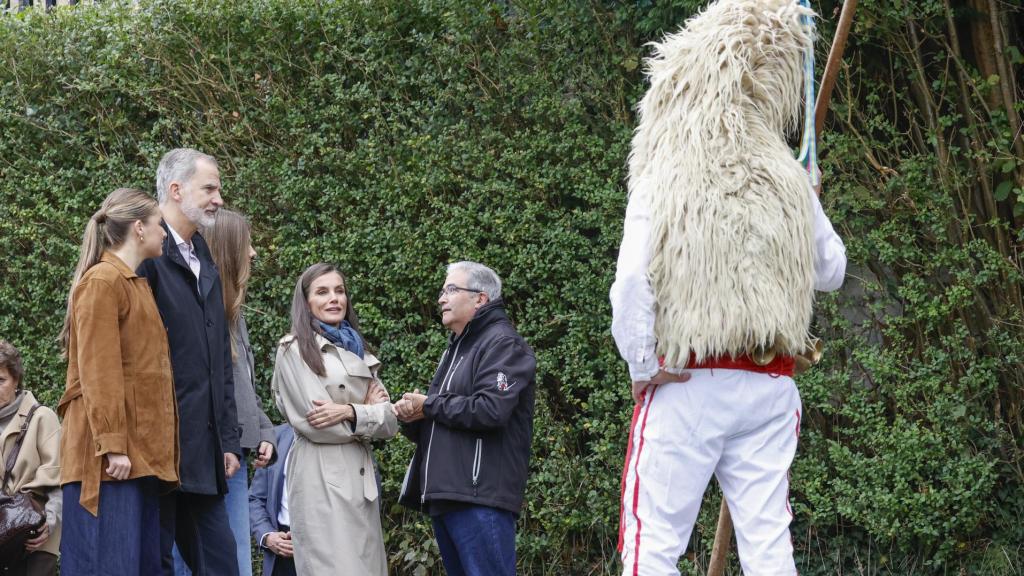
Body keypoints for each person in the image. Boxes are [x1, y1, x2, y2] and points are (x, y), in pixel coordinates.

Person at [609, 1, 847, 574]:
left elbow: (633, 283)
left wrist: (643, 365)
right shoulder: (787, 174)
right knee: (769, 544)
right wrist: (807, 199)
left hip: (689, 380)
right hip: (770, 387)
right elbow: (832, 272)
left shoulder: (664, 170)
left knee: (654, 542)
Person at [57, 188, 179, 575]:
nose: (165, 232)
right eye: (160, 224)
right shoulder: (102, 283)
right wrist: (112, 446)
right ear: (139, 229)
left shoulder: (131, 284)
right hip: (109, 464)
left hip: (135, 460)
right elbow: (99, 372)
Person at [137, 149, 241, 576]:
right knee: (154, 565)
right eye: (210, 188)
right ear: (176, 191)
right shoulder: (145, 258)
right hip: (158, 455)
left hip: (204, 453)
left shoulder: (205, 255)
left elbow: (219, 360)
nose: (219, 198)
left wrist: (229, 439)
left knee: (221, 564)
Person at [395, 261, 536, 576]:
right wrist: (413, 416)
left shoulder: (502, 343)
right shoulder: (454, 350)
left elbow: (490, 410)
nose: (441, 298)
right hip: (448, 496)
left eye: (451, 289)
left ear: (481, 298)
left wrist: (429, 406)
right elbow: (443, 419)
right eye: (443, 291)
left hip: (479, 497)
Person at [270, 263, 397, 575]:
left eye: (339, 291)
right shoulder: (293, 350)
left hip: (362, 480)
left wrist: (349, 411)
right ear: (306, 301)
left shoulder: (359, 348)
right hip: (320, 479)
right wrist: (367, 411)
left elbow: (391, 422)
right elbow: (317, 423)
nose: (334, 299)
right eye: (322, 292)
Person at [170, 209, 276, 576]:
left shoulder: (233, 313)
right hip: (213, 455)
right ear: (228, 250)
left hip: (234, 451)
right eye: (246, 245)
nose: (253, 254)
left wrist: (263, 431)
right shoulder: (206, 313)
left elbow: (243, 387)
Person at [0, 341, 62, 576]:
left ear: (16, 380)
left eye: (1, 380)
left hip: (33, 539)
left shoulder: (42, 418)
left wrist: (50, 522)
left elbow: (59, 479)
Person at [248, 424, 296, 576]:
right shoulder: (274, 438)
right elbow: (255, 498)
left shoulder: (346, 438)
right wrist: (267, 536)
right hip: (280, 551)